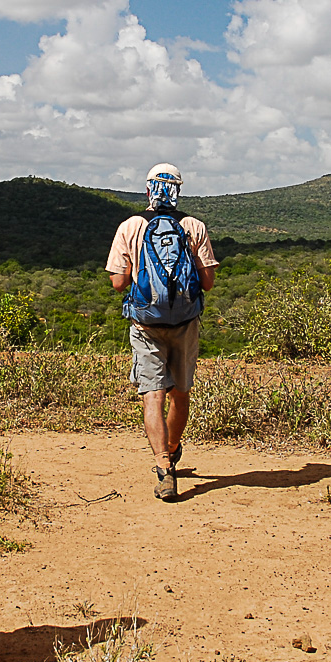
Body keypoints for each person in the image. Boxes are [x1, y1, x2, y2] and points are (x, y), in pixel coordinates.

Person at [106, 163, 218, 501]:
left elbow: (117, 282)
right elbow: (209, 283)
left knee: (152, 395)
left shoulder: (130, 227)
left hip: (145, 324)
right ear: (179, 191)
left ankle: (164, 467)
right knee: (180, 394)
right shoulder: (193, 227)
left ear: (147, 190)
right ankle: (172, 446)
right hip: (185, 324)